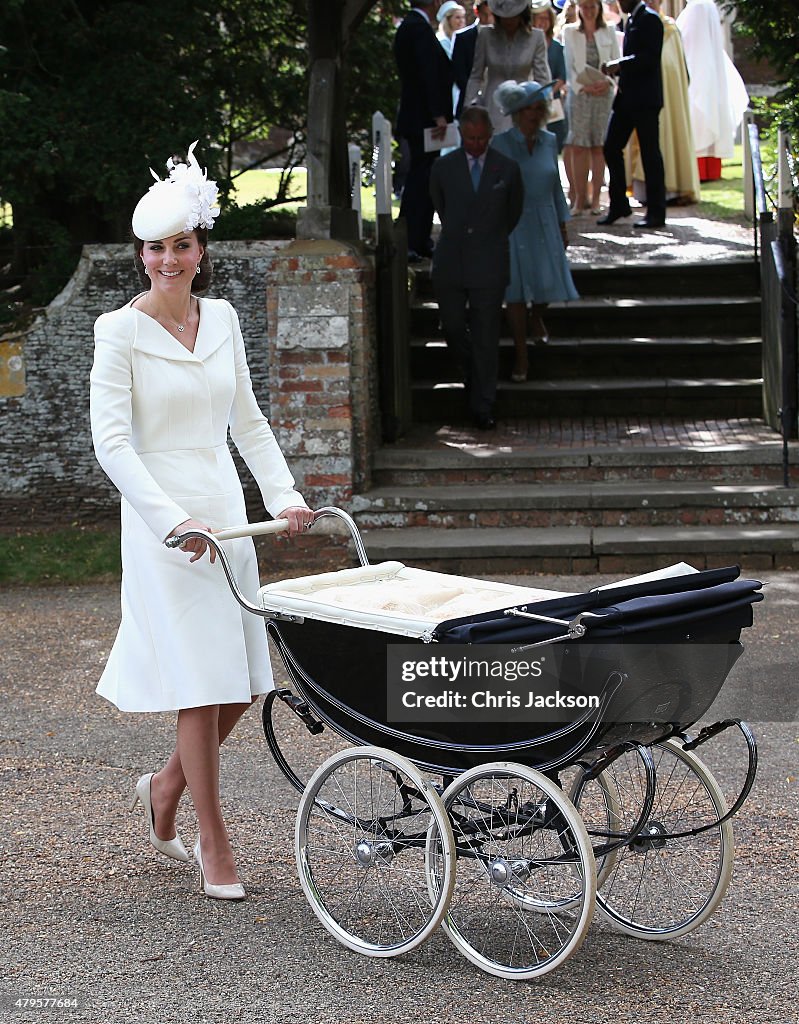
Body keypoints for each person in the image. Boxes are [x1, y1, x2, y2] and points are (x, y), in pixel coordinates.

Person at [89, 142, 314, 902]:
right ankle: (212, 839)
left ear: (200, 248)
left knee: (242, 683)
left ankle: (162, 787)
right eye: (154, 248)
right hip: (165, 523)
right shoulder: (116, 332)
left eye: (180, 245)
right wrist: (168, 519)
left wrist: (282, 496)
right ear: (141, 254)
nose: (167, 260)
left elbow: (247, 423)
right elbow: (112, 443)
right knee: (199, 680)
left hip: (226, 515)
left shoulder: (220, 317)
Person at [430, 105, 524, 429]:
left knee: (486, 336)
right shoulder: (443, 168)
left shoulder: (507, 169)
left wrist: (489, 240)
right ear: (461, 135)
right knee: (454, 328)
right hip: (451, 263)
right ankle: (473, 374)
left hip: (489, 262)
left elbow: (512, 214)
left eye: (481, 138)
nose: (475, 144)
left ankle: (483, 405)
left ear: (490, 135)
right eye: (470, 138)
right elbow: (441, 206)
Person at [491, 80, 578, 382]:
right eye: (528, 107)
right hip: (513, 221)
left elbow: (555, 186)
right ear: (517, 112)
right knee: (514, 290)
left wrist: (563, 223)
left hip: (544, 217)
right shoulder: (500, 144)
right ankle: (520, 354)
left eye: (538, 106)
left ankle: (536, 315)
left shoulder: (550, 140)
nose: (535, 112)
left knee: (549, 278)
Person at [394, 0, 455, 260]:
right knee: (422, 178)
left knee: (425, 176)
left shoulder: (411, 26)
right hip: (424, 119)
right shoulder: (417, 28)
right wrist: (438, 114)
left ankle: (419, 238)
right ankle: (411, 238)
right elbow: (427, 74)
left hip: (418, 117)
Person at [598, 0, 666, 229]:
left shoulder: (650, 19)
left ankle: (656, 212)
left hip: (646, 100)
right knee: (610, 146)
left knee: (650, 154)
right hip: (627, 98)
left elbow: (650, 58)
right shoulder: (633, 19)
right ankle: (619, 204)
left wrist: (620, 64)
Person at [627, 0, 700, 205]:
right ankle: (645, 191)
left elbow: (677, 65)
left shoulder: (671, 28)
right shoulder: (638, 22)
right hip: (647, 93)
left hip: (669, 94)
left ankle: (673, 188)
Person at [676, 0, 748, 182]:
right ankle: (709, 170)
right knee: (708, 117)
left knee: (698, 120)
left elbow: (687, 40)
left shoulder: (698, 8)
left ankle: (702, 170)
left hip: (697, 69)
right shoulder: (706, 6)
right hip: (709, 69)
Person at [562, 0, 620, 214]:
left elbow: (616, 62)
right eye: (584, 7)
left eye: (592, 7)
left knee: (598, 145)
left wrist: (607, 83)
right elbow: (569, 66)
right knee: (578, 146)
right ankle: (579, 198)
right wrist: (582, 87)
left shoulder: (609, 31)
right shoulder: (570, 33)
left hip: (603, 95)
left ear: (598, 8)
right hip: (580, 95)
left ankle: (596, 199)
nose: (588, 11)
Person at [462, 0, 551, 134]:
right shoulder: (486, 35)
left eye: (513, 16)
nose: (509, 21)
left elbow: (542, 78)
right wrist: (468, 107)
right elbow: (476, 75)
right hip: (494, 105)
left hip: (525, 104)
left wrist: (540, 108)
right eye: (505, 17)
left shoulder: (536, 37)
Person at [531, 0, 569, 155]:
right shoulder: (528, 43)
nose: (543, 22)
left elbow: (562, 75)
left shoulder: (557, 47)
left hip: (552, 101)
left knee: (553, 144)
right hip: (530, 100)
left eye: (546, 18)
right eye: (539, 18)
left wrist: (547, 94)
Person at [451, 0, 495, 119]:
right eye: (485, 14)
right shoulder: (463, 38)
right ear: (477, 12)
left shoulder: (501, 37)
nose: (489, 19)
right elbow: (459, 73)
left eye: (492, 14)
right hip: (469, 103)